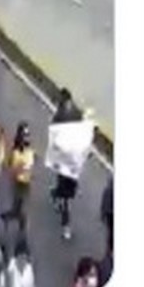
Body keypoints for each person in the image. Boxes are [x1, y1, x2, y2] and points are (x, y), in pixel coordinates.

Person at [50, 88, 84, 241]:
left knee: (66, 193)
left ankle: (56, 194)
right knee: (67, 197)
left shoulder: (59, 115)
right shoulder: (77, 113)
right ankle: (66, 225)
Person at [0, 121, 35, 239]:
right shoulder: (16, 151)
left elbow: (28, 163)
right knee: (20, 205)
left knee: (19, 205)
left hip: (25, 183)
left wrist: (25, 168)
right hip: (19, 182)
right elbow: (12, 168)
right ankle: (17, 221)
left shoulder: (28, 149)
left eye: (28, 134)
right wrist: (21, 169)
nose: (27, 137)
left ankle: (14, 219)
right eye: (25, 134)